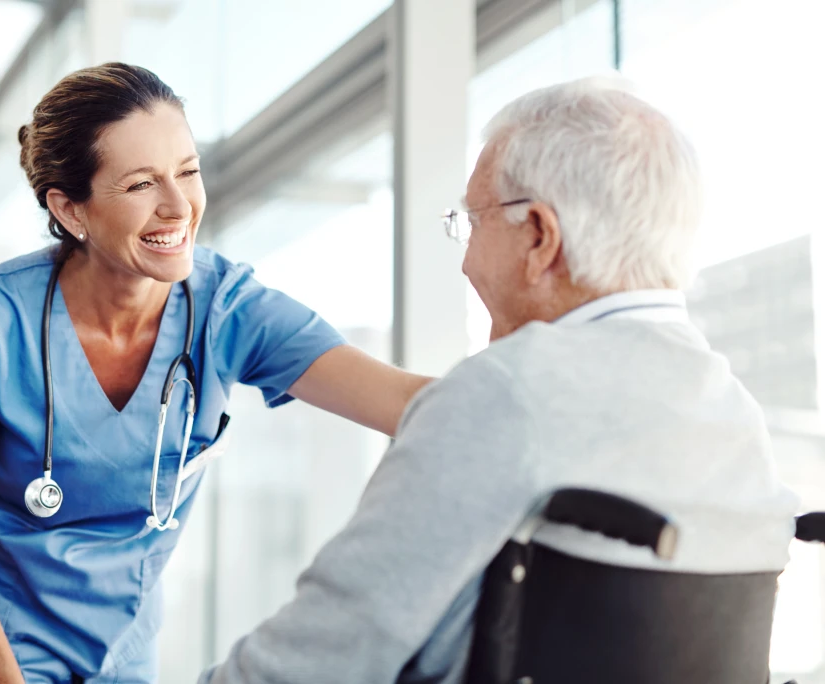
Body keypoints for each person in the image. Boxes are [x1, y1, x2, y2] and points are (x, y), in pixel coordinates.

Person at [197, 77, 800, 684]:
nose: (465, 259)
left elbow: (320, 655)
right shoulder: (736, 417)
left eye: (473, 222)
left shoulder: (508, 389)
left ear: (538, 236)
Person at [0, 63, 433, 683]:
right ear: (71, 210)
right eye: (142, 184)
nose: (179, 207)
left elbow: (410, 403)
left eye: (189, 171)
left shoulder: (230, 308)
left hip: (119, 631)